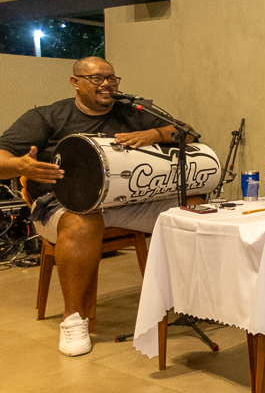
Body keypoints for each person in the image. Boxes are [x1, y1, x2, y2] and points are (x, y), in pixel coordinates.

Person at [0, 56, 181, 357]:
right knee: (82, 221)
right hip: (61, 203)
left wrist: (154, 134)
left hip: (124, 200)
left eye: (111, 78)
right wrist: (21, 165)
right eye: (97, 78)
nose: (107, 84)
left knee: (193, 207)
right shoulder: (46, 117)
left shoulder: (132, 111)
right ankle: (73, 319)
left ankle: (190, 299)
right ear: (76, 82)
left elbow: (185, 132)